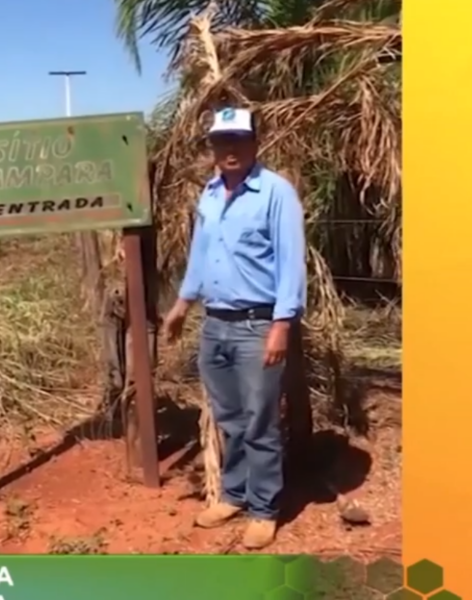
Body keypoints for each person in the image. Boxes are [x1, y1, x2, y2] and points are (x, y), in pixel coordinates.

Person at [161, 106, 307, 549]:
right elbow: (201, 255)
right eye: (222, 142)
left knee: (260, 420)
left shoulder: (275, 193)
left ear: (254, 143)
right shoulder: (208, 194)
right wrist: (183, 303)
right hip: (215, 325)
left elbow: (290, 262)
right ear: (212, 148)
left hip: (256, 326)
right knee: (231, 419)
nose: (230, 149)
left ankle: (264, 509)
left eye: (238, 140)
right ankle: (235, 494)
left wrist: (282, 324)